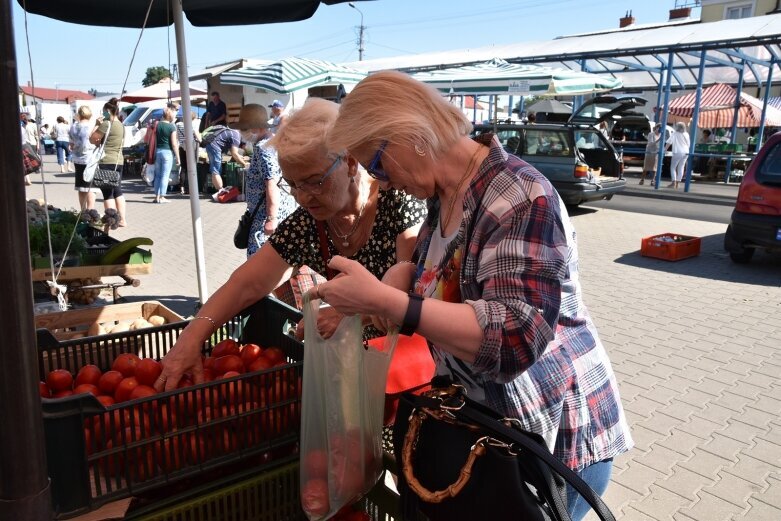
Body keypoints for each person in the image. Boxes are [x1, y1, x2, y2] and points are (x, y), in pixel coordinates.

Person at [322, 71, 632, 521]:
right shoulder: (447, 194)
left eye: (377, 165)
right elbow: (452, 273)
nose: (382, 182)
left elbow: (513, 336)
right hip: (493, 432)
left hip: (551, 439)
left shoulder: (521, 195)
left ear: (408, 135)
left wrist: (386, 303)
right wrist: (403, 273)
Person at [155, 98, 425, 390]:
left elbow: (415, 292)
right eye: (292, 184)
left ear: (348, 163)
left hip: (407, 372)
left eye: (314, 181)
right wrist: (191, 339)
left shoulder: (397, 200)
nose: (303, 196)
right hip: (356, 371)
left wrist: (352, 315)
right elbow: (247, 284)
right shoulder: (308, 222)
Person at [233, 104, 297, 257]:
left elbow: (272, 183)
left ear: (257, 128)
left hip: (265, 217)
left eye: (245, 129)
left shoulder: (263, 148)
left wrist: (271, 219)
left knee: (260, 264)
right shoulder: (272, 142)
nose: (242, 133)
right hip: (276, 211)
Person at [90, 98, 127, 226]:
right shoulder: (122, 125)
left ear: (108, 110)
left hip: (106, 161)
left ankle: (112, 221)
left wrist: (96, 124)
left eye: (104, 111)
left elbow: (92, 139)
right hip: (119, 160)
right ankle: (122, 219)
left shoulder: (107, 124)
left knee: (107, 193)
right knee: (118, 190)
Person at [69, 105, 97, 210]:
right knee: (90, 187)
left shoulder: (73, 127)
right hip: (90, 158)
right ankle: (90, 211)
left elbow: (71, 144)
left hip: (77, 158)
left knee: (81, 187)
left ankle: (83, 211)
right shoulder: (92, 126)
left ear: (79, 115)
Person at [204, 124, 247, 191]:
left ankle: (219, 190)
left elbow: (232, 152)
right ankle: (220, 191)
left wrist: (240, 158)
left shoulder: (234, 132)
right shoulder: (237, 136)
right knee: (216, 169)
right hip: (214, 145)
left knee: (216, 168)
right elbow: (234, 153)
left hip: (211, 144)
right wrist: (245, 164)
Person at [152, 103, 180, 204]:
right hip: (167, 152)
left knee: (158, 175)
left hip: (158, 151)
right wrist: (178, 157)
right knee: (165, 175)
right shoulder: (172, 127)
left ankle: (156, 196)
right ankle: (162, 196)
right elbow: (174, 144)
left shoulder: (157, 125)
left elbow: (154, 140)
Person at [176, 110, 201, 194]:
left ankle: (181, 187)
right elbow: (199, 139)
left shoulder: (178, 125)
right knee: (190, 168)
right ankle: (188, 188)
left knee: (183, 168)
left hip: (181, 147)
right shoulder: (192, 126)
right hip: (190, 148)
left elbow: (177, 137)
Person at [669, 121, 690, 189]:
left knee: (673, 167)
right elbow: (689, 144)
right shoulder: (686, 134)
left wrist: (664, 150)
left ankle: (673, 182)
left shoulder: (675, 133)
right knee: (681, 167)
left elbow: (669, 142)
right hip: (686, 152)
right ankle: (678, 183)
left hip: (677, 151)